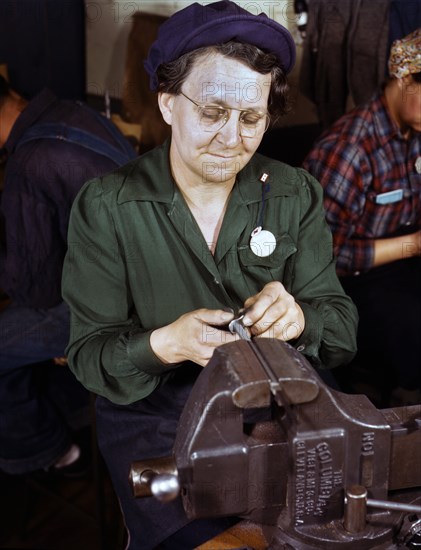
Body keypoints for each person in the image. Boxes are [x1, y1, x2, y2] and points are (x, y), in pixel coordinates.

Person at [62, 1, 358, 548]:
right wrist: (165, 342)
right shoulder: (108, 206)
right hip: (158, 415)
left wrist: (299, 318)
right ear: (168, 103)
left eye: (252, 119)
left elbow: (339, 332)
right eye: (213, 112)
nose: (231, 139)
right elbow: (88, 357)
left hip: (281, 399)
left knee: (342, 527)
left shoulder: (293, 192)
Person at [0, 75, 136, 476]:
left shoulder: (29, 161)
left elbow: (36, 290)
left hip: (120, 308)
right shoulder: (73, 112)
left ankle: (45, 449)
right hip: (142, 276)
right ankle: (70, 403)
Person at [303, 28, 421, 406]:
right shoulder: (350, 149)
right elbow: (318, 257)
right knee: (411, 323)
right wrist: (413, 245)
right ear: (405, 79)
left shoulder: (413, 129)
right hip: (349, 281)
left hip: (402, 259)